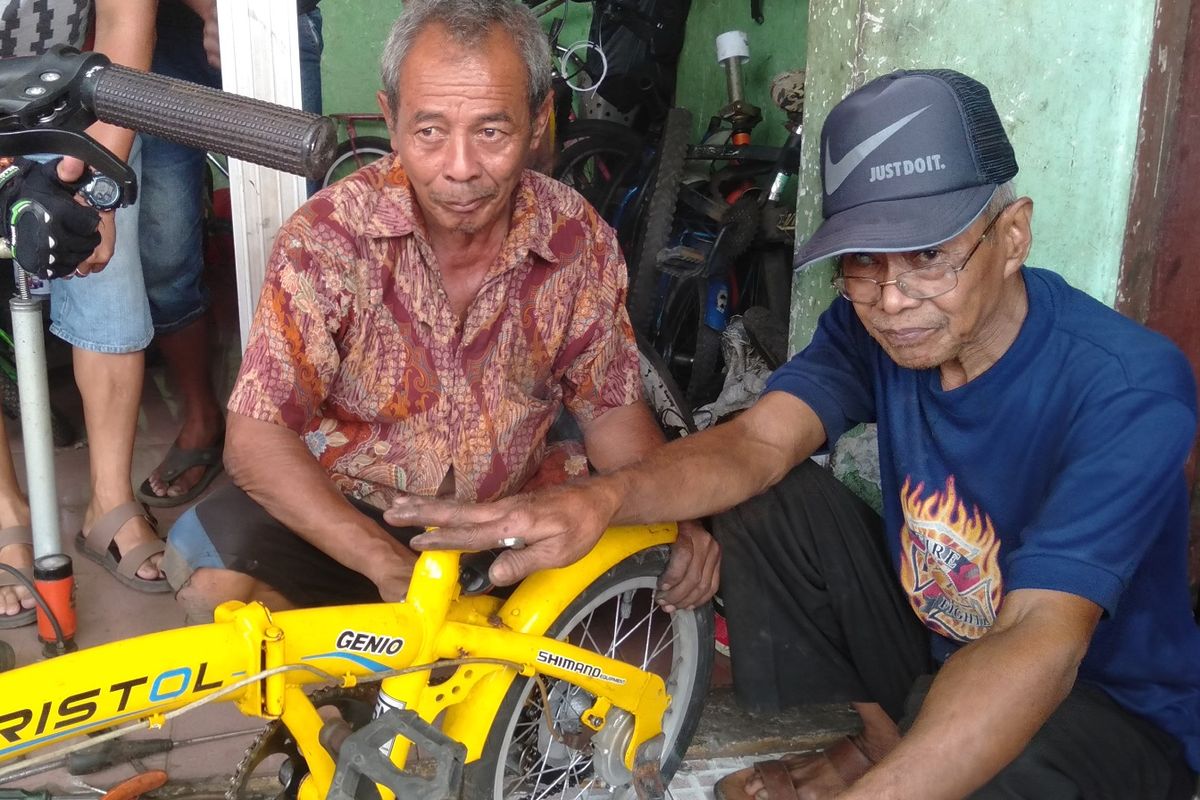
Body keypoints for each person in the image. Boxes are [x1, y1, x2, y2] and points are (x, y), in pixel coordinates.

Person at [385, 69, 1200, 799]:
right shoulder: (872, 328)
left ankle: (891, 767)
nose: (891, 299)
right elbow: (754, 446)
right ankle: (888, 744)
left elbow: (1039, 638)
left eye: (928, 256)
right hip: (938, 644)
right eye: (863, 262)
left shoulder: (1127, 386)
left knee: (1005, 762)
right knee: (765, 499)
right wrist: (603, 499)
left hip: (1102, 710)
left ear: (1012, 237)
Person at [161, 0, 718, 620]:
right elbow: (258, 435)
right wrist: (383, 562)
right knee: (217, 580)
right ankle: (348, 704)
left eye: (491, 131)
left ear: (538, 124)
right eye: (429, 131)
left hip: (513, 516)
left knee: (645, 606)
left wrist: (675, 520)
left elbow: (611, 408)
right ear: (390, 120)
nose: (459, 168)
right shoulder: (326, 238)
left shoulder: (575, 240)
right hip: (354, 511)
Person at [0, 0, 168, 628]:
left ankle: (108, 503)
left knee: (107, 286)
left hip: (77, 97)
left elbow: (128, 19)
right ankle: (5, 513)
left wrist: (95, 175)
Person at [135, 0, 325, 510]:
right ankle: (204, 417)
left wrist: (239, 17)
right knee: (165, 256)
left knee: (290, 248)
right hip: (163, 35)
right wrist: (213, 10)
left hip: (275, 22)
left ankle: (285, 426)